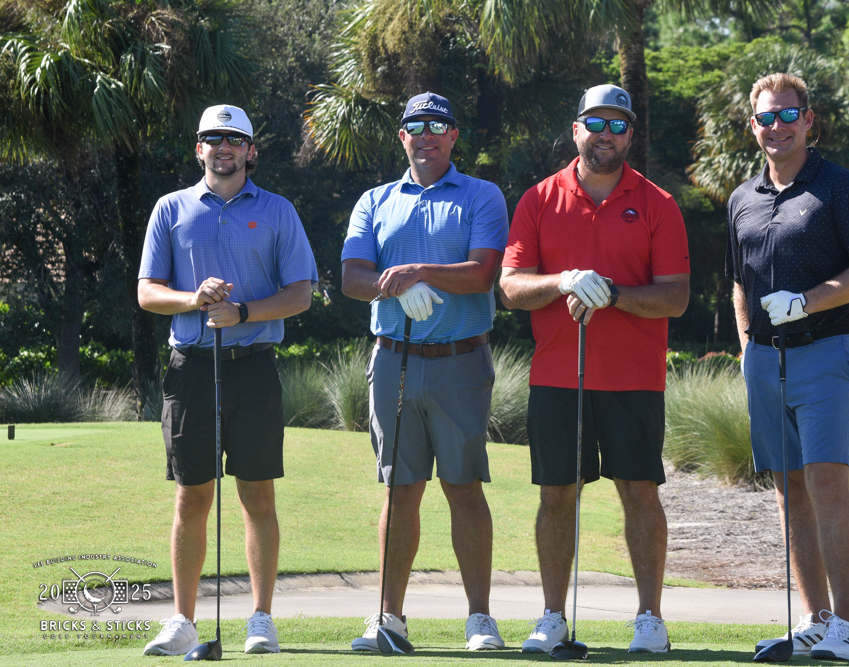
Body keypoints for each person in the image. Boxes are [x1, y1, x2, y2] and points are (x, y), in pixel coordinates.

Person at [498, 84, 690, 654]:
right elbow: (510, 287)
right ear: (577, 129)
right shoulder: (539, 198)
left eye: (618, 125)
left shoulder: (657, 203)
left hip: (633, 378)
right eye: (596, 123)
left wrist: (612, 293)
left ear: (630, 135)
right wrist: (562, 281)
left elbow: (675, 297)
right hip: (557, 376)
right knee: (557, 494)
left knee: (639, 490)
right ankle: (553, 616)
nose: (606, 135)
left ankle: (650, 619)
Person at [137, 104, 317, 656]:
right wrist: (193, 299)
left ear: (250, 150)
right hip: (191, 369)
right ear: (199, 148)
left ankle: (261, 619)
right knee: (192, 497)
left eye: (234, 139)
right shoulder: (171, 209)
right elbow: (148, 292)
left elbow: (300, 293)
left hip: (254, 368)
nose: (224, 147)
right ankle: (183, 622)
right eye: (213, 138)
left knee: (257, 494)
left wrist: (242, 313)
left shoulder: (279, 210)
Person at [727, 73, 849, 661]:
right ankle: (815, 621)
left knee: (824, 480)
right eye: (766, 118)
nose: (778, 127)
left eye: (788, 115)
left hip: (825, 350)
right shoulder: (742, 199)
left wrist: (808, 301)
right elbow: (739, 282)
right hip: (765, 360)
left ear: (807, 119)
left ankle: (847, 627)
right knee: (787, 487)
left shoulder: (839, 187)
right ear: (754, 126)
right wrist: (747, 346)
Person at [341, 91, 509, 652]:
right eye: (417, 126)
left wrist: (418, 272)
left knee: (464, 487)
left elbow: (482, 273)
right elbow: (353, 277)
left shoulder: (481, 195)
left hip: (461, 360)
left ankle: (479, 619)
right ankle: (388, 617)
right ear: (403, 136)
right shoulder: (374, 200)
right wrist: (393, 286)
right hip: (393, 360)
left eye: (439, 126)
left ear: (453, 136)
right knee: (400, 488)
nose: (427, 136)